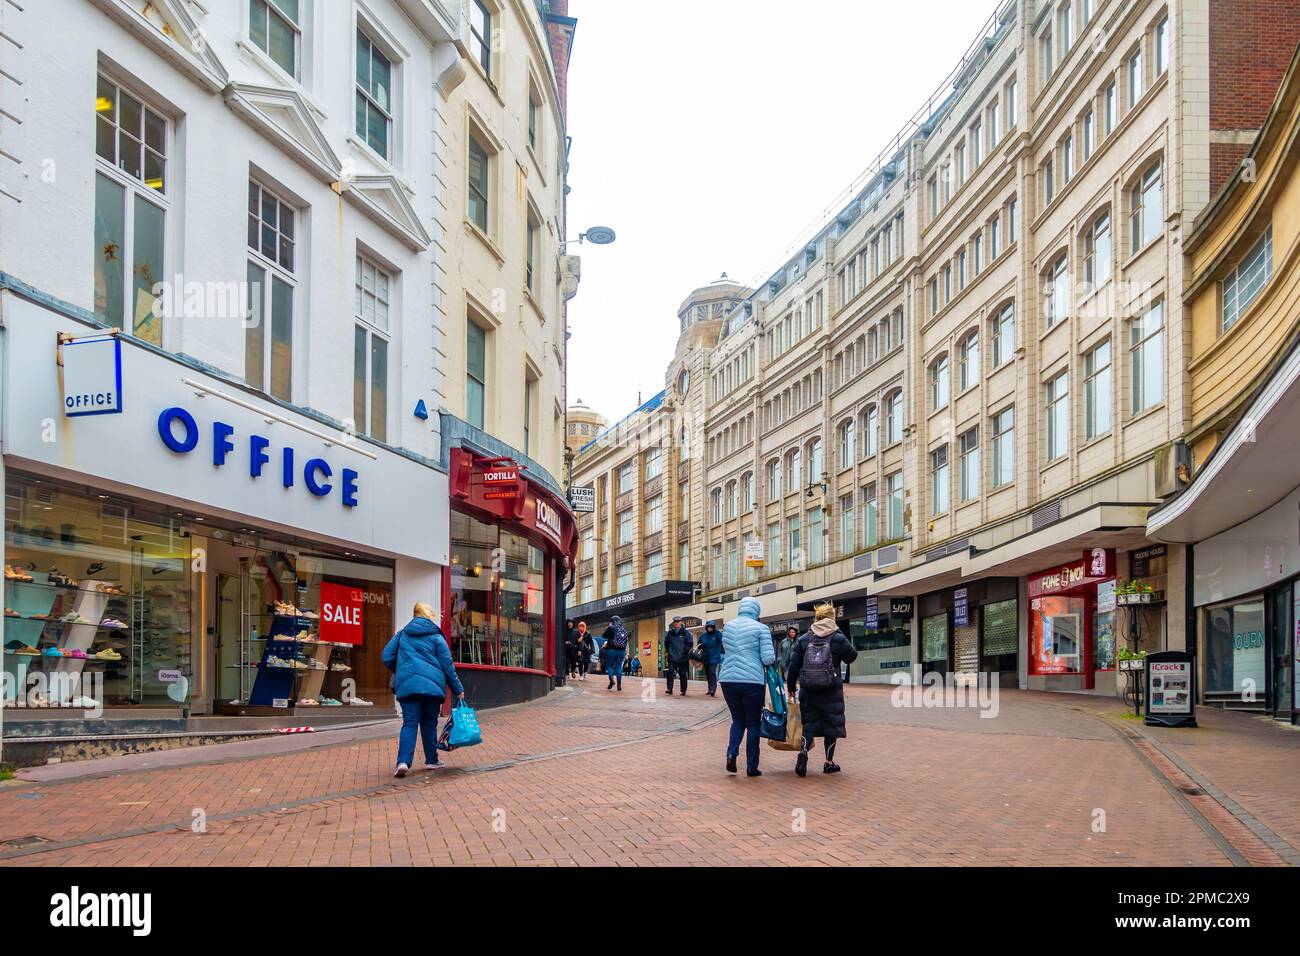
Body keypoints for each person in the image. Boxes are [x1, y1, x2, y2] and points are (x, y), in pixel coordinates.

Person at [382, 602, 465, 779]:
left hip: (408, 687)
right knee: (429, 724)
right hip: (432, 688)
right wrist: (458, 689)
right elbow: (448, 666)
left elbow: (386, 656)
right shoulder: (436, 637)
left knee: (409, 723)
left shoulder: (403, 634)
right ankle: (431, 760)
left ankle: (403, 762)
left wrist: (401, 669)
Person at [785, 603, 858, 777]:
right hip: (831, 690)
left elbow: (793, 666)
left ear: (816, 618)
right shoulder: (838, 638)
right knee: (831, 727)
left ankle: (803, 751)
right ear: (832, 618)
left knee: (809, 724)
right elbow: (852, 657)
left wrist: (791, 688)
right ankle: (828, 762)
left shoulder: (804, 639)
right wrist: (839, 633)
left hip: (808, 689)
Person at [718, 597, 775, 777]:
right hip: (752, 681)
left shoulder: (727, 627)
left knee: (737, 721)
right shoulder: (761, 628)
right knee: (753, 724)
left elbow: (725, 650)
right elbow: (768, 659)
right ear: (757, 611)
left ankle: (731, 753)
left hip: (728, 679)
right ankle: (752, 766)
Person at [663, 615, 694, 696]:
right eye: (675, 622)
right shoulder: (670, 633)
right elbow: (666, 642)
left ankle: (683, 690)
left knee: (683, 674)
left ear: (681, 622)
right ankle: (669, 689)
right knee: (670, 672)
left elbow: (690, 643)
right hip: (672, 657)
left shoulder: (685, 632)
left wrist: (685, 652)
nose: (676, 623)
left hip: (683, 658)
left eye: (678, 621)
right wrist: (669, 651)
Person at [698, 620, 724, 696]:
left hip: (714, 657)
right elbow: (699, 645)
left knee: (712, 672)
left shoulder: (718, 634)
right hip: (705, 657)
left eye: (711, 626)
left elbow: (722, 642)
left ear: (713, 627)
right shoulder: (703, 636)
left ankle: (713, 689)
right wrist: (701, 647)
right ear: (706, 627)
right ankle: (709, 688)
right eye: (708, 626)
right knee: (707, 673)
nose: (710, 628)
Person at [602, 615, 629, 690]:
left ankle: (611, 680)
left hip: (611, 650)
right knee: (618, 668)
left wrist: (608, 627)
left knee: (609, 666)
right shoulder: (623, 629)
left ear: (612, 621)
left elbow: (604, 635)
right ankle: (619, 685)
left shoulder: (611, 628)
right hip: (621, 651)